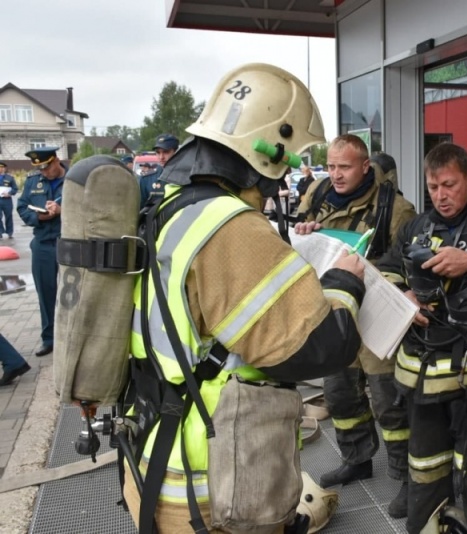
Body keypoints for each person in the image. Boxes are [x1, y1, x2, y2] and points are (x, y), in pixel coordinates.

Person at [121, 63, 367, 533]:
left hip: (155, 451)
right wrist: (343, 283)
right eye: (290, 156)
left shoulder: (171, 203)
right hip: (212, 484)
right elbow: (315, 348)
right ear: (270, 151)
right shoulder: (230, 227)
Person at [377, 143, 467, 534]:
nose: (440, 195)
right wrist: (402, 294)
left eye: (450, 185)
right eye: (433, 186)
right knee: (426, 467)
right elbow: (386, 267)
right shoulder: (418, 226)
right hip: (426, 380)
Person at [294, 134, 416, 518]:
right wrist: (304, 230)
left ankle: (406, 476)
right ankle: (357, 457)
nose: (335, 174)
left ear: (365, 166)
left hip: (377, 314)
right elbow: (298, 230)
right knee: (340, 393)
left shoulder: (396, 210)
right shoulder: (318, 194)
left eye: (344, 167)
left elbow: (408, 264)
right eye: (330, 166)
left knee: (389, 401)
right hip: (335, 310)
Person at [17, 147, 66, 357]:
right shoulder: (32, 182)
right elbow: (22, 207)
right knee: (46, 295)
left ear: (57, 161)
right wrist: (38, 217)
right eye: (40, 169)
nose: (44, 172)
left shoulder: (75, 180)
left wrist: (62, 211)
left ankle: (70, 337)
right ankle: (50, 339)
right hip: (43, 244)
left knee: (71, 295)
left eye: (47, 167)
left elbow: (88, 208)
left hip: (68, 243)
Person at [139, 133, 178, 207]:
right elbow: (141, 209)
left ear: (176, 152)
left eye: (166, 152)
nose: (161, 157)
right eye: (158, 152)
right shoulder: (146, 179)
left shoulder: (187, 177)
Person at [0, 162, 18, 239]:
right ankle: (0, 232)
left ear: (4, 168)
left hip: (6, 200)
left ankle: (9, 232)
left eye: (2, 167)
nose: (0, 169)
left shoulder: (9, 178)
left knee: (8, 216)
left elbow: (15, 188)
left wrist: (9, 193)